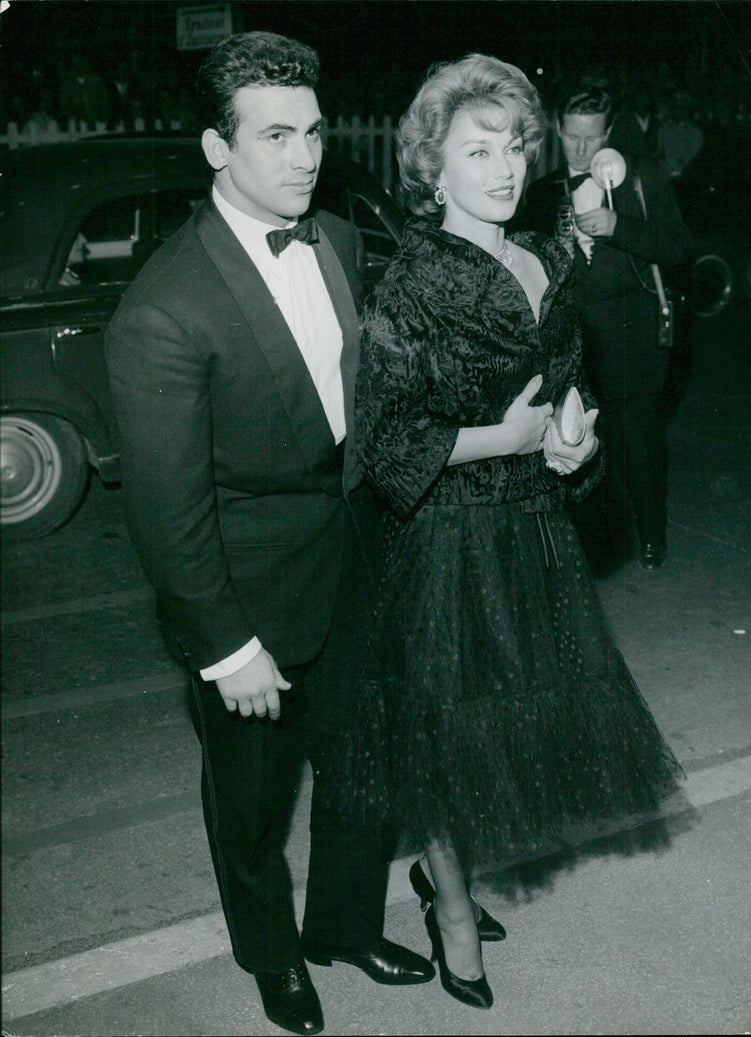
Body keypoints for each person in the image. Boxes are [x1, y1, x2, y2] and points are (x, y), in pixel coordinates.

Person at [105, 31, 433, 1037]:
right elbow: (166, 509)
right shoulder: (163, 308)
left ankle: (339, 925)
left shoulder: (333, 238)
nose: (305, 156)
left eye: (314, 132)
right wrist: (224, 644)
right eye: (276, 135)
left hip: (355, 562)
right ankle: (274, 955)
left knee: (365, 764)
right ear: (216, 149)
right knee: (248, 808)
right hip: (247, 604)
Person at [338, 54, 683, 1011]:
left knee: (508, 727)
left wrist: (576, 442)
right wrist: (510, 434)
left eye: (514, 146)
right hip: (447, 538)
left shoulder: (548, 256)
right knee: (444, 739)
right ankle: (450, 909)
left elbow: (566, 385)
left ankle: (440, 877)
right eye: (475, 149)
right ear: (431, 167)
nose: (501, 167)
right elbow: (386, 440)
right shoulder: (410, 282)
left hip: (533, 528)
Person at [519, 84, 694, 570]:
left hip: (632, 336)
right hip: (572, 342)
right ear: (558, 130)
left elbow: (680, 247)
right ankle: (585, 546)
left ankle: (652, 533)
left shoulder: (643, 180)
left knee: (639, 444)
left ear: (608, 133)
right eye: (572, 137)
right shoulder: (542, 191)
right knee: (574, 446)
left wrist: (620, 227)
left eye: (591, 138)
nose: (580, 149)